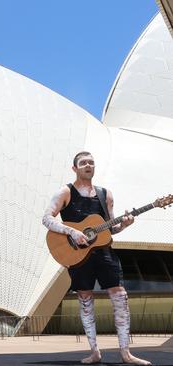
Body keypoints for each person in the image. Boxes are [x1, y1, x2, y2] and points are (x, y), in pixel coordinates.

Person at [42, 151, 150, 365]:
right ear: (75, 168)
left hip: (104, 253)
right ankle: (94, 352)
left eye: (91, 162)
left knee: (120, 295)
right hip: (78, 255)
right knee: (85, 299)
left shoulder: (105, 194)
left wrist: (124, 224)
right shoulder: (66, 192)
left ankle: (126, 353)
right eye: (83, 163)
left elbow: (110, 229)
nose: (88, 165)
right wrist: (72, 232)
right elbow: (46, 218)